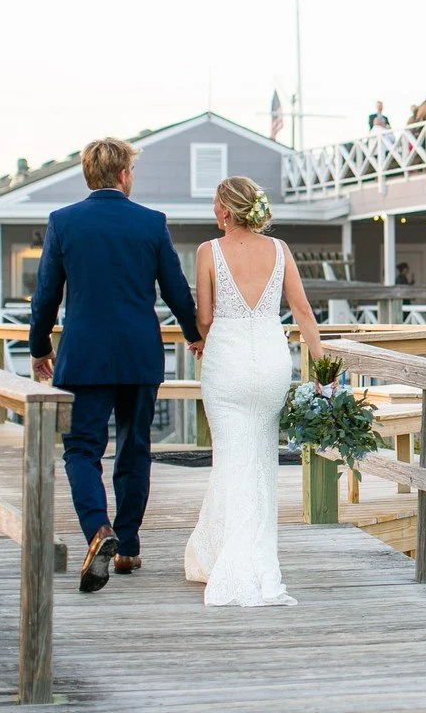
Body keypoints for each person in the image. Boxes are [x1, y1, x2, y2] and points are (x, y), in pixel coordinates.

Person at [29, 138, 203, 594]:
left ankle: (98, 531)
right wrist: (194, 333)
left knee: (82, 449)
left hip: (83, 357)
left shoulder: (63, 222)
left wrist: (38, 345)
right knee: (134, 446)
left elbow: (46, 293)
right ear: (124, 175)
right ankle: (126, 546)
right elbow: (175, 289)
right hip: (139, 354)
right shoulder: (150, 222)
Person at [184, 177, 322, 607]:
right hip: (270, 363)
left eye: (214, 205)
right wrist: (324, 370)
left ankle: (236, 561)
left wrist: (201, 336)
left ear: (226, 212)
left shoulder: (208, 252)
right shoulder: (279, 251)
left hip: (226, 363)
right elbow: (302, 312)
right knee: (259, 456)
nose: (212, 211)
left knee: (230, 455)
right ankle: (242, 551)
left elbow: (204, 317)